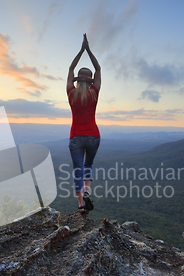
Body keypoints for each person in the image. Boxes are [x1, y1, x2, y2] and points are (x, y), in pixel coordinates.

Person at [66, 34, 101, 215]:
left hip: (76, 136)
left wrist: (80, 50)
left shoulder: (71, 93)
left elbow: (71, 67)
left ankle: (81, 205)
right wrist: (89, 50)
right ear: (90, 81)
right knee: (89, 165)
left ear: (78, 80)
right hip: (94, 136)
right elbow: (98, 68)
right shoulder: (94, 93)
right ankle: (87, 191)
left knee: (78, 170)